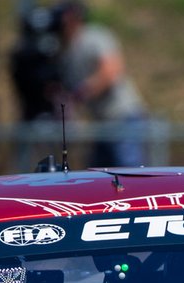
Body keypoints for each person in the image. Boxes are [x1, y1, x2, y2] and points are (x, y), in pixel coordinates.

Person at [55, 1, 148, 168]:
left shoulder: (94, 36)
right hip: (100, 121)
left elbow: (111, 70)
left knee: (130, 170)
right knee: (98, 173)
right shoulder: (65, 47)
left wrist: (83, 91)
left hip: (122, 116)